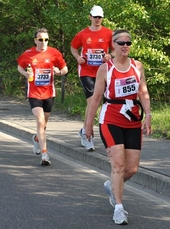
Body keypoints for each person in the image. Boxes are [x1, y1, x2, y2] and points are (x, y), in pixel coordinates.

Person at [84, 29, 152, 225]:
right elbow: (96, 98)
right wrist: (88, 125)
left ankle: (112, 185)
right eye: (121, 43)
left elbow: (143, 93)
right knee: (118, 165)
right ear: (112, 45)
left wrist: (148, 115)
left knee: (131, 169)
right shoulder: (106, 69)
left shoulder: (137, 66)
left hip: (132, 120)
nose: (125, 46)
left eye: (128, 43)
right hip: (111, 119)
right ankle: (119, 208)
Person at [17, 28, 68, 166]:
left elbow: (65, 69)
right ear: (35, 40)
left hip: (49, 94)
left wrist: (59, 72)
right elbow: (19, 67)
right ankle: (44, 154)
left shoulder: (54, 53)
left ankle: (36, 138)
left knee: (43, 125)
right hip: (34, 93)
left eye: (46, 39)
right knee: (40, 122)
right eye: (40, 39)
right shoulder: (28, 54)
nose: (43, 42)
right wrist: (25, 74)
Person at [70, 5, 114, 151]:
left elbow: (115, 50)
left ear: (102, 18)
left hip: (102, 72)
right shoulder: (83, 34)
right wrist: (78, 57)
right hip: (86, 72)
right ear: (90, 17)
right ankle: (89, 135)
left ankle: (84, 130)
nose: (97, 19)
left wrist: (110, 56)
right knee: (92, 101)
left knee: (97, 104)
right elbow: (73, 47)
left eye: (99, 17)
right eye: (95, 17)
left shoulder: (108, 33)